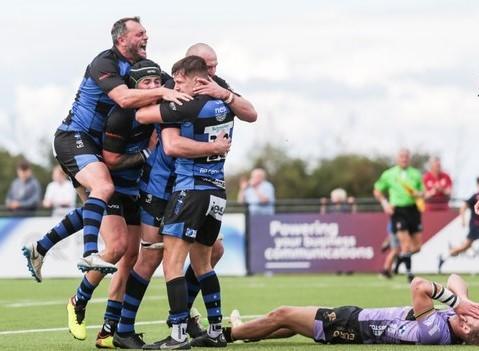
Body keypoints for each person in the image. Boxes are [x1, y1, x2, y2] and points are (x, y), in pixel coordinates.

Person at [51, 16, 192, 273]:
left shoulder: (142, 68)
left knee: (104, 212)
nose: (146, 37)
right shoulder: (105, 62)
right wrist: (161, 94)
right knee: (104, 188)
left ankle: (41, 247)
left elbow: (175, 83)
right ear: (121, 39)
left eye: (146, 32)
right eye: (139, 34)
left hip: (97, 146)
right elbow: (125, 98)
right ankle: (90, 253)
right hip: (74, 136)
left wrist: (207, 86)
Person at [134, 55, 256, 349]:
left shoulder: (187, 104)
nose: (174, 86)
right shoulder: (226, 104)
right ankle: (215, 330)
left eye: (178, 81)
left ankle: (177, 335)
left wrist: (160, 99)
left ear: (196, 79)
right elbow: (251, 113)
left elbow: (144, 119)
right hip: (216, 191)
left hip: (190, 190)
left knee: (172, 264)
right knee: (203, 264)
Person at [223, 274, 479, 345]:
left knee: (282, 314)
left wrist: (457, 304)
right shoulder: (455, 322)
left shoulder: (435, 332)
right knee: (292, 325)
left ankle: (229, 334)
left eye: (473, 316)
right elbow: (456, 278)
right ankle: (249, 333)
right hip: (358, 318)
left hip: (350, 328)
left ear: (466, 327)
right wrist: (463, 301)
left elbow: (420, 286)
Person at [373, 148, 424, 283]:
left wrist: (418, 194)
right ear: (397, 159)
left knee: (417, 247)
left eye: (406, 157)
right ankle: (409, 274)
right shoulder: (389, 174)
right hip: (398, 211)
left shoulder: (416, 174)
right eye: (401, 156)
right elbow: (377, 191)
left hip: (413, 210)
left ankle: (401, 258)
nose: (404, 159)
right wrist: (385, 203)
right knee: (406, 244)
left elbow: (423, 192)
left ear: (409, 158)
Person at [438, 177, 479, 273]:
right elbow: (463, 206)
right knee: (465, 246)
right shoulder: (475, 196)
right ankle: (444, 256)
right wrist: (463, 219)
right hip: (476, 225)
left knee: (466, 246)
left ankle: (444, 257)